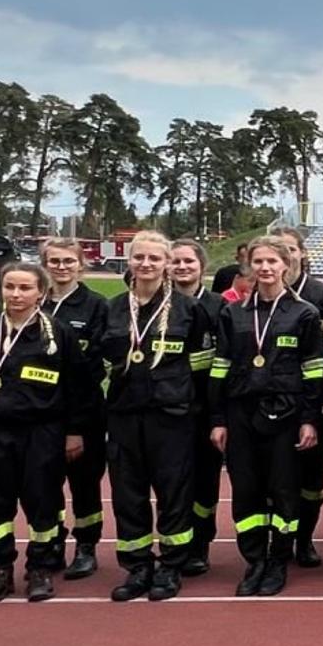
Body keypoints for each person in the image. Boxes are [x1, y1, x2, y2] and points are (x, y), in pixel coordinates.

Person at [0, 262, 92, 603]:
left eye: (25, 288)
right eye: (10, 287)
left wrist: (74, 431)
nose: (16, 295)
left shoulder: (58, 334)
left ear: (40, 293)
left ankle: (40, 569)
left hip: (41, 432)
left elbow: (79, 387)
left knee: (42, 502)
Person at [208, 235, 323, 597]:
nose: (265, 268)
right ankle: (254, 559)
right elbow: (219, 368)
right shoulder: (234, 313)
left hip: (286, 412)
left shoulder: (304, 313)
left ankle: (278, 559)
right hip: (241, 411)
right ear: (249, 266)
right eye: (258, 262)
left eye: (272, 262)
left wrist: (309, 418)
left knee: (283, 488)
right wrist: (218, 419)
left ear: (285, 266)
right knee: (246, 489)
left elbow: (314, 369)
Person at [99, 232, 212, 601]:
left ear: (166, 265)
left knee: (174, 493)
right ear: (129, 262)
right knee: (128, 494)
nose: (146, 264)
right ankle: (137, 566)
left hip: (173, 416)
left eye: (154, 258)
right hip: (124, 415)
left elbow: (202, 368)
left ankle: (171, 566)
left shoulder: (188, 309)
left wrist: (195, 412)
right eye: (139, 257)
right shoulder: (113, 308)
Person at [38, 238, 110, 580]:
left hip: (83, 410)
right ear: (45, 264)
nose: (61, 267)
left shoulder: (96, 305)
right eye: (55, 261)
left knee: (84, 484)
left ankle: (86, 547)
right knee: (43, 484)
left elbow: (94, 364)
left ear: (81, 265)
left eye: (69, 261)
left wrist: (77, 424)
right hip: (39, 413)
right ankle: (52, 543)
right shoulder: (33, 302)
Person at [272, 226, 323, 564]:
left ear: (302, 253)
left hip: (315, 396)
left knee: (311, 475)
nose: (286, 257)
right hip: (272, 400)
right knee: (276, 473)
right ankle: (279, 539)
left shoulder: (322, 294)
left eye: (291, 250)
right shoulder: (258, 296)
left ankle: (305, 539)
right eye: (277, 251)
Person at [169, 239, 227, 578]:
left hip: (206, 409)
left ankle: (200, 543)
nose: (182, 267)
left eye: (188, 261)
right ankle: (176, 542)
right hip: (167, 409)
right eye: (175, 261)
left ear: (201, 267)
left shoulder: (221, 307)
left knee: (204, 482)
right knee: (172, 480)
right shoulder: (157, 306)